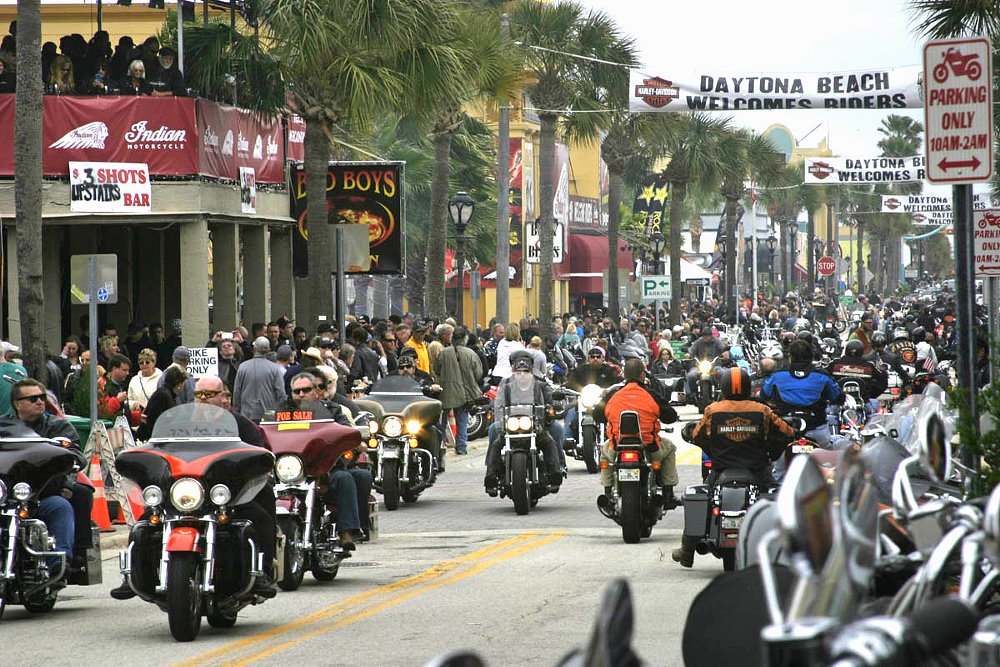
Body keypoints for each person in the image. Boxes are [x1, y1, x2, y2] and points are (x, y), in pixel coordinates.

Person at [112, 375, 278, 600]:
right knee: (143, 524)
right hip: (183, 492)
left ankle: (262, 572)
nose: (203, 399)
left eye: (209, 394)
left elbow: (257, 455)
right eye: (199, 394)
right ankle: (133, 575)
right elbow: (157, 449)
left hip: (225, 494)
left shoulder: (241, 425)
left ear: (223, 397)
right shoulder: (176, 426)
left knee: (261, 516)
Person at [672, 367, 795, 568]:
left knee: (703, 496)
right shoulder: (762, 410)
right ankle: (786, 550)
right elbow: (786, 433)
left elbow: (697, 436)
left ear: (724, 386)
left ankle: (687, 551)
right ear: (747, 386)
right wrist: (772, 451)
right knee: (781, 501)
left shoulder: (713, 410)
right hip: (758, 471)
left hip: (721, 470)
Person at [6, 378, 93, 578]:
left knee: (60, 506)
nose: (40, 402)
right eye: (33, 398)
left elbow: (76, 453)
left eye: (42, 397)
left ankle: (61, 563)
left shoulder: (58, 427)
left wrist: (69, 459)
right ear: (18, 404)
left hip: (42, 494)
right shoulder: (5, 427)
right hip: (8, 497)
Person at [286, 373, 371, 548]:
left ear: (316, 392)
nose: (301, 394)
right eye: (297, 391)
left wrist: (352, 439)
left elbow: (347, 430)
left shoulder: (332, 410)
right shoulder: (283, 413)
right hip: (292, 469)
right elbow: (267, 431)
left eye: (306, 390)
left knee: (358, 476)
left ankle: (349, 530)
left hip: (328, 469)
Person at [594, 359, 680, 513]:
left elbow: (597, 416)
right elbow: (670, 416)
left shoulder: (613, 395)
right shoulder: (651, 393)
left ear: (624, 375)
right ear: (642, 375)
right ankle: (668, 494)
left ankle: (608, 493)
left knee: (604, 453)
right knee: (670, 448)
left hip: (617, 447)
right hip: (650, 448)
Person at [483, 354, 563, 496]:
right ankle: (491, 477)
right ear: (514, 370)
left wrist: (553, 404)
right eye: (519, 372)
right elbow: (498, 401)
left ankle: (555, 472)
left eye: (525, 371)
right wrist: (490, 407)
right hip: (511, 426)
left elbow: (549, 397)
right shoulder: (506, 386)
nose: (522, 375)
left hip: (535, 425)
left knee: (549, 440)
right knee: (495, 438)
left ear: (531, 371)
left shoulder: (540, 384)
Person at [759, 339, 842, 448]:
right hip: (817, 430)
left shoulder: (776, 376)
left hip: (785, 432)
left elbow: (762, 396)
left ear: (791, 357)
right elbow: (838, 397)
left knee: (776, 464)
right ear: (811, 356)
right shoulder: (823, 375)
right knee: (827, 461)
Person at [435, 327, 483, 455]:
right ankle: (461, 446)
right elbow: (479, 374)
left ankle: (441, 444)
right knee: (462, 420)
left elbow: (437, 370)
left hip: (446, 390)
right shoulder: (471, 354)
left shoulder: (444, 353)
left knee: (442, 420)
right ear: (465, 339)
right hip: (464, 391)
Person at [232, 336, 287, 422]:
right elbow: (280, 393)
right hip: (269, 414)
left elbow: (237, 391)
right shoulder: (275, 369)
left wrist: (236, 410)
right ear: (268, 349)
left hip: (247, 414)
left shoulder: (243, 367)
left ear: (254, 348)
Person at [136, 366, 187, 441]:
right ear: (179, 383)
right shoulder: (162, 395)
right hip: (153, 439)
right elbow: (153, 419)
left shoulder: (169, 394)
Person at [684, 327, 730, 398]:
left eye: (707, 335)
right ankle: (692, 394)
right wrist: (689, 354)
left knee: (723, 374)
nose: (705, 336)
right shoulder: (698, 342)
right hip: (700, 367)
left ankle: (724, 393)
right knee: (691, 375)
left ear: (711, 335)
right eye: (704, 335)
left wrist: (725, 352)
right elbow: (692, 350)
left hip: (714, 366)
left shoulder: (717, 342)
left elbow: (723, 348)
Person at [97, 353, 131, 420]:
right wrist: (117, 400)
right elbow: (103, 411)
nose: (127, 373)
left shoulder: (121, 384)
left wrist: (135, 415)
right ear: (114, 368)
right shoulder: (102, 385)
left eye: (128, 370)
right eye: (124, 370)